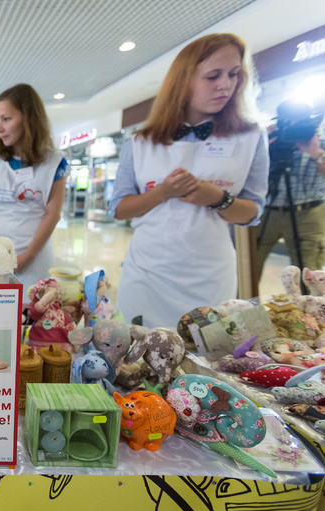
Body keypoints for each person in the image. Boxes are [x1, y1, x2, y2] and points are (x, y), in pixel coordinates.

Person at [110, 33, 269, 329]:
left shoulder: (249, 138)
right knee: (137, 359)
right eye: (213, 76)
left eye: (234, 74)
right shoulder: (141, 141)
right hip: (147, 272)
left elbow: (253, 213)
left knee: (203, 360)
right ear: (183, 81)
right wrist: (163, 193)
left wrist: (217, 198)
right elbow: (119, 208)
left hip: (209, 274)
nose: (226, 84)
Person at [0, 84, 67, 297]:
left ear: (28, 118)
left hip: (36, 259)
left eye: (6, 119)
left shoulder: (55, 162)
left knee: (36, 318)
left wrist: (27, 257)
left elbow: (52, 214)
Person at [256, 100, 325, 274]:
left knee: (309, 273)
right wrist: (259, 148)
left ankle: (309, 301)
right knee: (249, 266)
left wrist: (316, 154)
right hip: (266, 211)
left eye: (299, 122)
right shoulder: (267, 139)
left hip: (307, 214)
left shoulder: (319, 142)